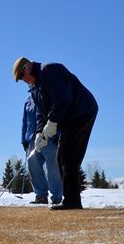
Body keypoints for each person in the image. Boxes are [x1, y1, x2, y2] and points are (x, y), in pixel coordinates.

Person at [13, 57, 98, 210]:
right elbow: (41, 113)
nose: (24, 80)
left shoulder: (51, 70)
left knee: (68, 157)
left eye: (22, 76)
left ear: (27, 68)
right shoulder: (36, 89)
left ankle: (72, 202)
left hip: (82, 112)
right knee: (62, 158)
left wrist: (52, 123)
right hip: (69, 119)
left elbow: (62, 99)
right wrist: (40, 132)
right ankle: (71, 200)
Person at [21, 91, 62, 205]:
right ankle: (41, 196)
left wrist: (57, 136)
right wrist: (23, 139)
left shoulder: (47, 94)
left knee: (53, 168)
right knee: (33, 168)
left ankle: (57, 198)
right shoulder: (28, 100)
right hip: (31, 139)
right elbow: (24, 121)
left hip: (49, 137)